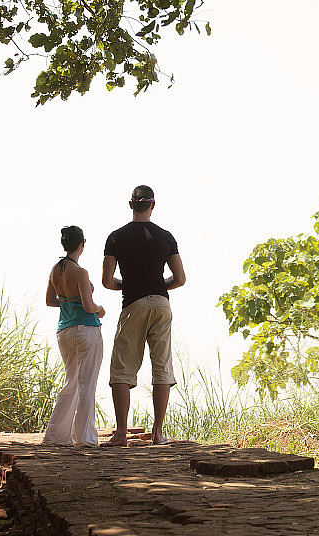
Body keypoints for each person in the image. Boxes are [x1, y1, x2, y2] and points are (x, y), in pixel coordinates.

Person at [101, 185, 186, 446]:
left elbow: (106, 281)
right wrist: (158, 286)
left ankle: (121, 435)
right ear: (153, 205)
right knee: (162, 367)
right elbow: (180, 279)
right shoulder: (166, 237)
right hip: (162, 304)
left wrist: (127, 285)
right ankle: (158, 433)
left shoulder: (116, 237)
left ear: (130, 205)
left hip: (133, 305)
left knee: (122, 370)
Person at [43, 225, 105, 447]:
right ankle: (85, 439)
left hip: (64, 331)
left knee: (70, 383)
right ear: (82, 244)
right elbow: (89, 307)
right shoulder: (81, 272)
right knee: (87, 384)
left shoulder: (55, 270)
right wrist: (100, 309)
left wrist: (69, 302)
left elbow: (51, 301)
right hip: (86, 330)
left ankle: (56, 436)